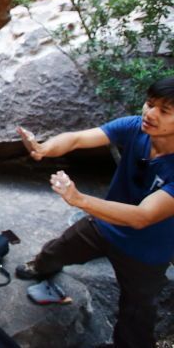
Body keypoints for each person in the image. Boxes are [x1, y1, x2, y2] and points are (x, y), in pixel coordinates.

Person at [16, 77, 174, 348]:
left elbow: (142, 216)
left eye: (164, 110)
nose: (149, 113)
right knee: (60, 247)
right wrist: (45, 148)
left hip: (147, 252)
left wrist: (79, 199)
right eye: (149, 104)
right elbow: (79, 138)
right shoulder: (136, 127)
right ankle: (41, 266)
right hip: (104, 224)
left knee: (137, 314)